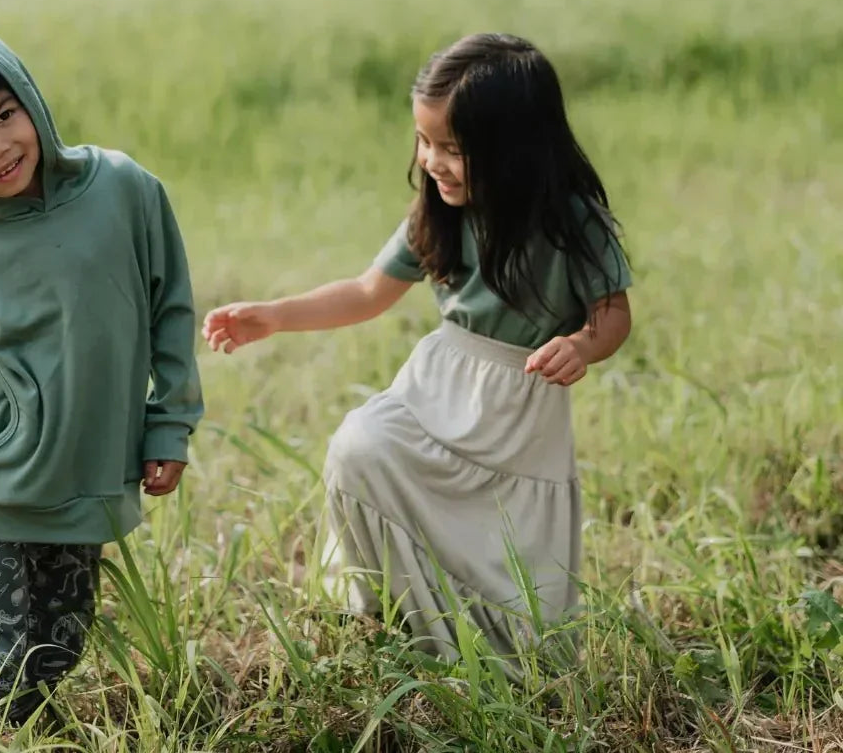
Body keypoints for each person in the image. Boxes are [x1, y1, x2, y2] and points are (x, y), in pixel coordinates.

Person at [203, 33, 631, 661]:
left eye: (454, 149)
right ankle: (384, 611)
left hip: (521, 402)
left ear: (516, 149)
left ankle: (499, 641)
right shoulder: (439, 212)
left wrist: (582, 346)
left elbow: (613, 313)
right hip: (441, 383)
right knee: (360, 448)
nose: (432, 161)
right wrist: (274, 316)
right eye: (425, 142)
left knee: (502, 541)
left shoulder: (569, 220)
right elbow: (367, 290)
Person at [0, 21, 203, 723]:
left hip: (87, 478)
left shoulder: (124, 190)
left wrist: (169, 424)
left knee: (58, 647)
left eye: (3, 116)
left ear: (29, 97)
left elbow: (170, 308)